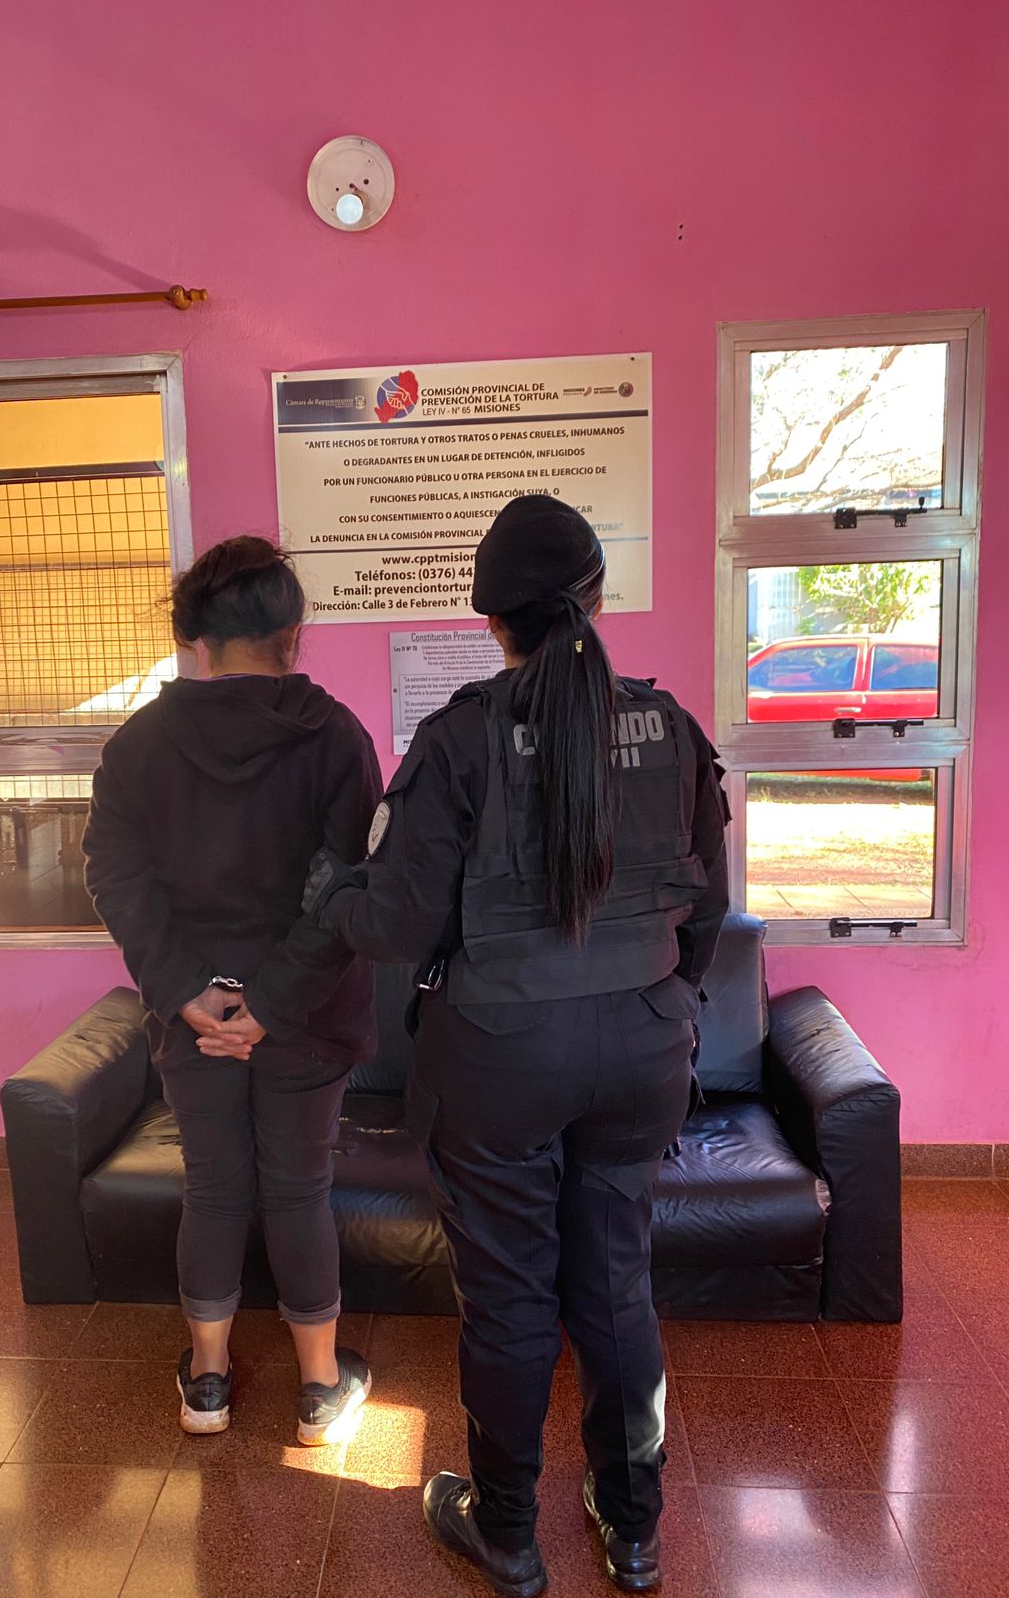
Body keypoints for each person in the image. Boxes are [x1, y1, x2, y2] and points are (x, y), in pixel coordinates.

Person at [213, 496, 730, 1595]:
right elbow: (707, 910)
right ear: (596, 601)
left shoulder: (461, 740)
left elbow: (399, 925)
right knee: (616, 1282)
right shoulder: (672, 729)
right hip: (643, 1050)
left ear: (493, 620)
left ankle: (508, 1532)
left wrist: (334, 894)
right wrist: (665, 1010)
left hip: (500, 1058)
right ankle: (634, 1527)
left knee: (509, 1300)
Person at [83, 535, 380, 1446]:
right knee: (298, 1190)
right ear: (293, 634)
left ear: (196, 640)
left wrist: (185, 993)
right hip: (308, 1014)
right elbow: (349, 887)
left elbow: (116, 877)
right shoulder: (336, 736)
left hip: (195, 1017)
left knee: (213, 1188)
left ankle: (207, 1383)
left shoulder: (138, 744)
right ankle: (320, 1390)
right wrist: (274, 1006)